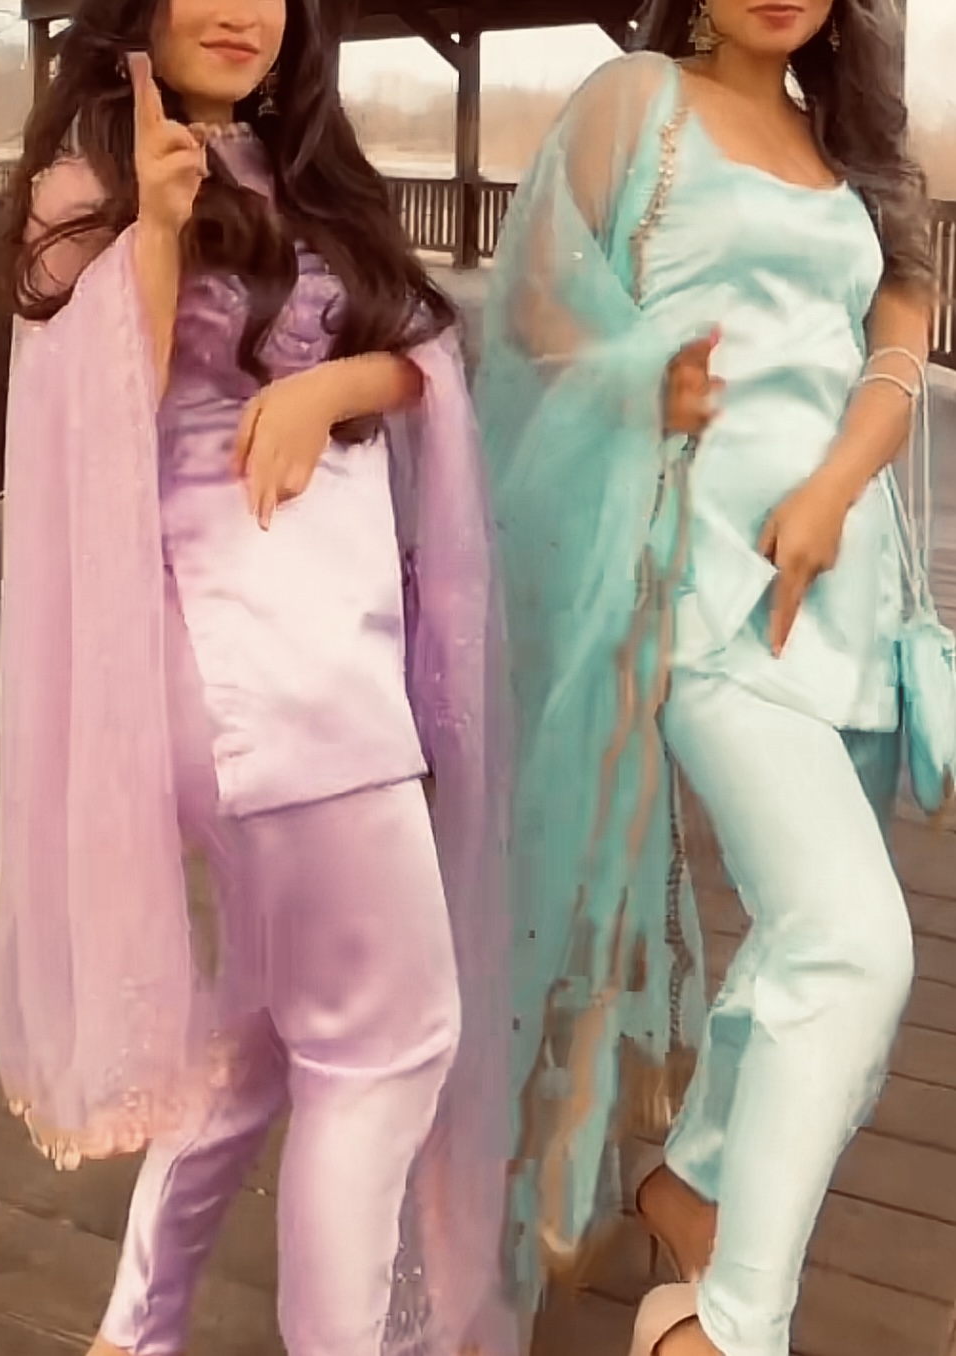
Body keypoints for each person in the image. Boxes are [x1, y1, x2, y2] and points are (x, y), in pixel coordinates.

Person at [0, 0, 514, 1353]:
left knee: (266, 1032)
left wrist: (330, 390)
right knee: (389, 1044)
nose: (238, 11)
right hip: (260, 672)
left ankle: (136, 1332)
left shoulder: (299, 169)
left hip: (311, 658)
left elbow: (426, 346)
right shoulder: (94, 185)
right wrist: (158, 233)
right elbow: (95, 418)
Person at [475, 0, 933, 1353]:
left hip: (842, 586)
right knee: (852, 944)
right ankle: (724, 1329)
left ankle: (693, 1184)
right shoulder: (635, 98)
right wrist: (637, 379)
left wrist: (839, 482)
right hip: (691, 569)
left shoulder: (848, 139)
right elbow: (537, 300)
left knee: (805, 938)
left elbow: (900, 325)